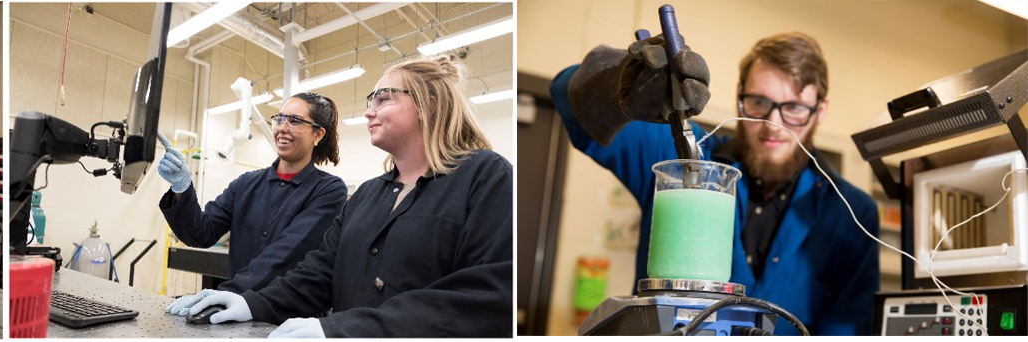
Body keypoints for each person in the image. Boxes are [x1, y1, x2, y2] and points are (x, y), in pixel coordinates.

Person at [551, 32, 878, 335]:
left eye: (793, 108)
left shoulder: (850, 213)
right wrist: (619, 81)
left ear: (820, 110)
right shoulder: (682, 158)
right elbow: (566, 98)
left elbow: (850, 330)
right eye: (759, 102)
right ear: (739, 95)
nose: (772, 125)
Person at [173, 55, 514, 337]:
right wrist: (251, 303)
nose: (368, 111)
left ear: (428, 104)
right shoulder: (368, 194)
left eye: (383, 98)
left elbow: (485, 296)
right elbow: (319, 272)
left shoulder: (485, 177)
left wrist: (340, 330)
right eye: (371, 101)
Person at [156, 92, 348, 315]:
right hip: (236, 312)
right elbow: (201, 232)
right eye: (280, 118)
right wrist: (182, 188)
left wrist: (228, 293)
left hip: (289, 316)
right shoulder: (246, 184)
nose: (282, 128)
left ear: (318, 134)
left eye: (295, 121)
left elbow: (285, 253)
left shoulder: (328, 191)